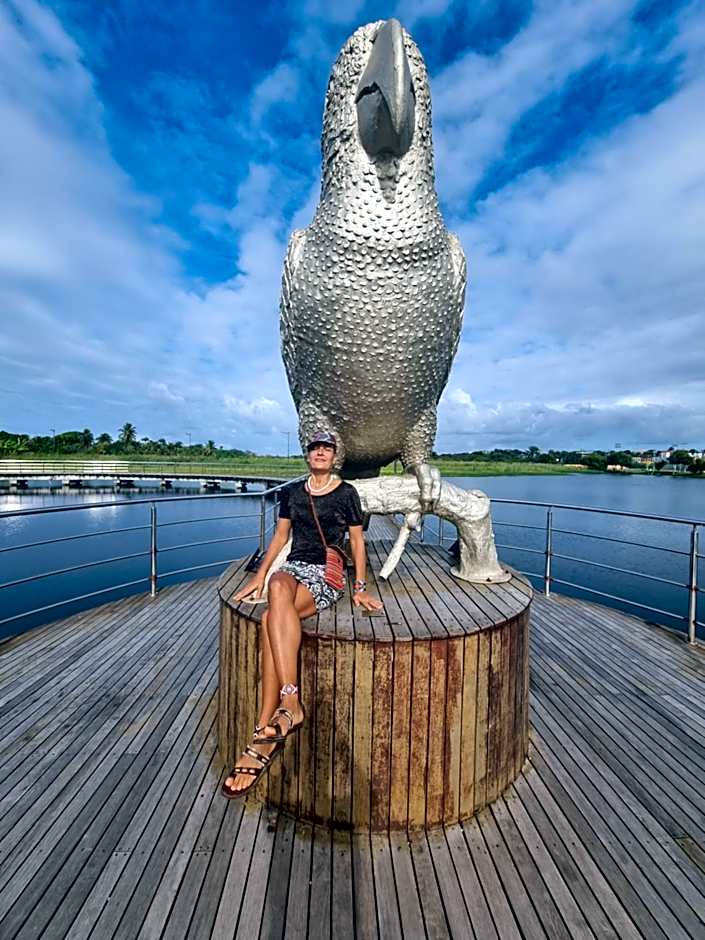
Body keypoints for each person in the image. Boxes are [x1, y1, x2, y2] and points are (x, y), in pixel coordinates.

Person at [222, 431, 384, 798]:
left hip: (325, 573)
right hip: (292, 572)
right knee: (278, 585)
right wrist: (258, 578)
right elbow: (280, 539)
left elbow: (357, 541)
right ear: (307, 456)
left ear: (335, 456)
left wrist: (359, 587)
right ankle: (289, 704)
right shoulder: (292, 494)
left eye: (327, 448)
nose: (321, 452)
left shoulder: (347, 495)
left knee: (268, 621)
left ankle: (264, 730)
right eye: (315, 448)